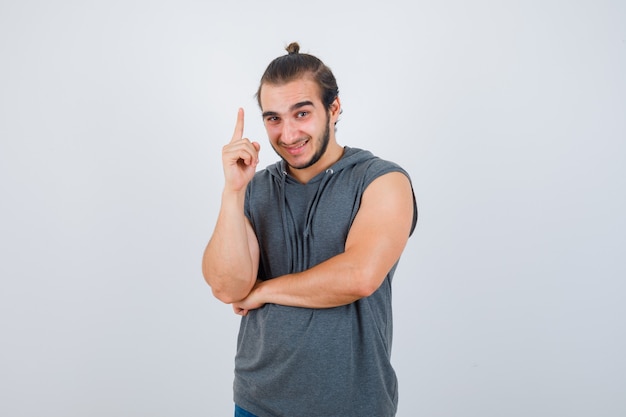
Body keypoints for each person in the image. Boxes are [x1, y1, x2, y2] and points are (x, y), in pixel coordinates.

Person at [202, 42, 418, 417]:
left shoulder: (381, 180)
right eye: (273, 118)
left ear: (333, 108)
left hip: (353, 405)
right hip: (258, 401)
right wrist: (233, 192)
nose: (287, 134)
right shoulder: (255, 187)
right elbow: (227, 287)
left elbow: (359, 276)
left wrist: (265, 290)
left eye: (301, 113)